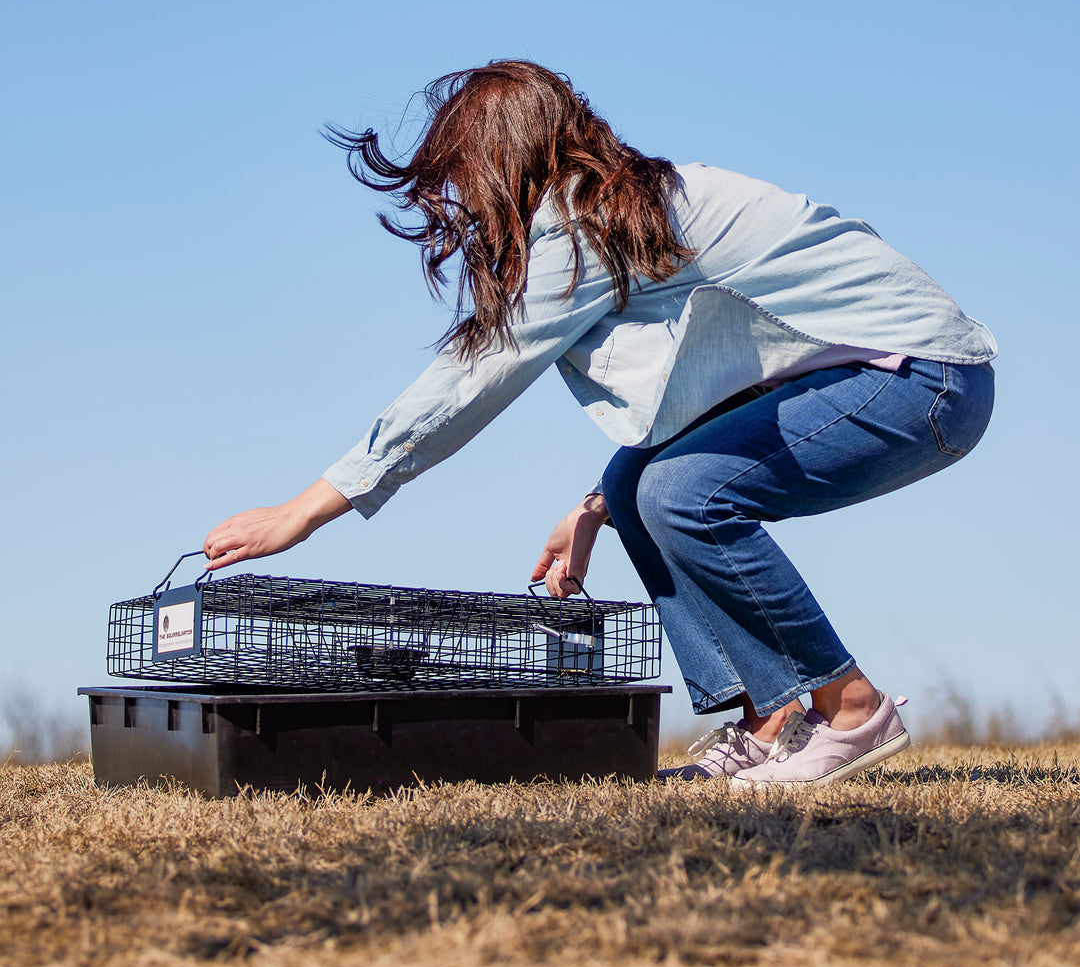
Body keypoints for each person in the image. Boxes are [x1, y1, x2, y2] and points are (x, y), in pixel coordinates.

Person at [202, 60, 996, 788]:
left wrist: (307, 507)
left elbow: (468, 382)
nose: (462, 202)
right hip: (883, 375)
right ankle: (771, 716)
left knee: (685, 492)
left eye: (462, 175)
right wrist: (595, 504)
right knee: (646, 482)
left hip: (925, 380)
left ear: (505, 158)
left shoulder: (582, 228)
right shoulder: (625, 207)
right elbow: (692, 394)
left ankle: (850, 710)